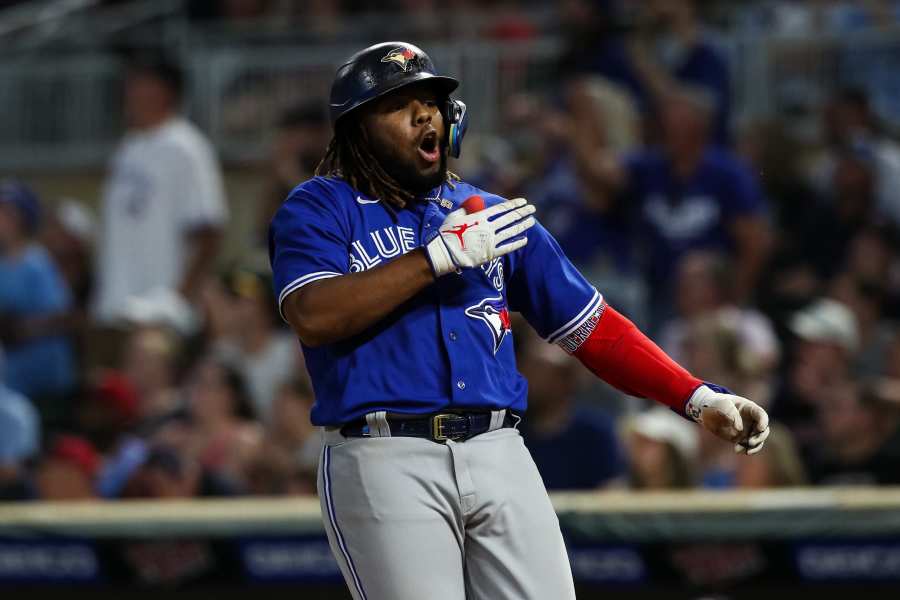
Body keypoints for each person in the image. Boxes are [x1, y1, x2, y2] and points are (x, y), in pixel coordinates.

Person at [268, 42, 771, 600]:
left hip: (499, 448)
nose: (423, 113)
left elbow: (593, 327)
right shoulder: (317, 208)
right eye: (398, 103)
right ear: (357, 129)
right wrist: (434, 260)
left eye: (431, 99)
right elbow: (314, 315)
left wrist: (698, 398)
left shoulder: (492, 216)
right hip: (384, 454)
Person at [93, 52, 228, 328]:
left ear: (164, 91)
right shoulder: (127, 148)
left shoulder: (186, 146)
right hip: (115, 308)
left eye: (139, 83)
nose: (129, 92)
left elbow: (209, 231)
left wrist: (175, 302)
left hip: (159, 315)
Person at [0, 181, 77, 407]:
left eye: (6, 212)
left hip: (40, 360)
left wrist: (19, 328)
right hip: (12, 358)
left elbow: (61, 316)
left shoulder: (38, 261)